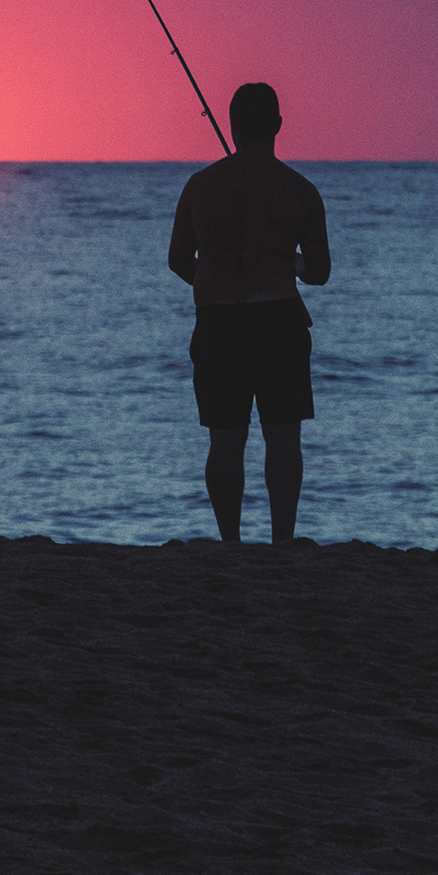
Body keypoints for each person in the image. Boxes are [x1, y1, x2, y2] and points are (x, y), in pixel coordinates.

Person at [168, 82, 331, 545]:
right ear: (277, 125)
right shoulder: (300, 191)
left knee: (225, 441)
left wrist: (212, 280)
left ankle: (230, 544)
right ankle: (282, 542)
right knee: (283, 440)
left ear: (232, 126)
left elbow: (178, 258)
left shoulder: (200, 187)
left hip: (219, 325)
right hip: (279, 322)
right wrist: (289, 264)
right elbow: (319, 270)